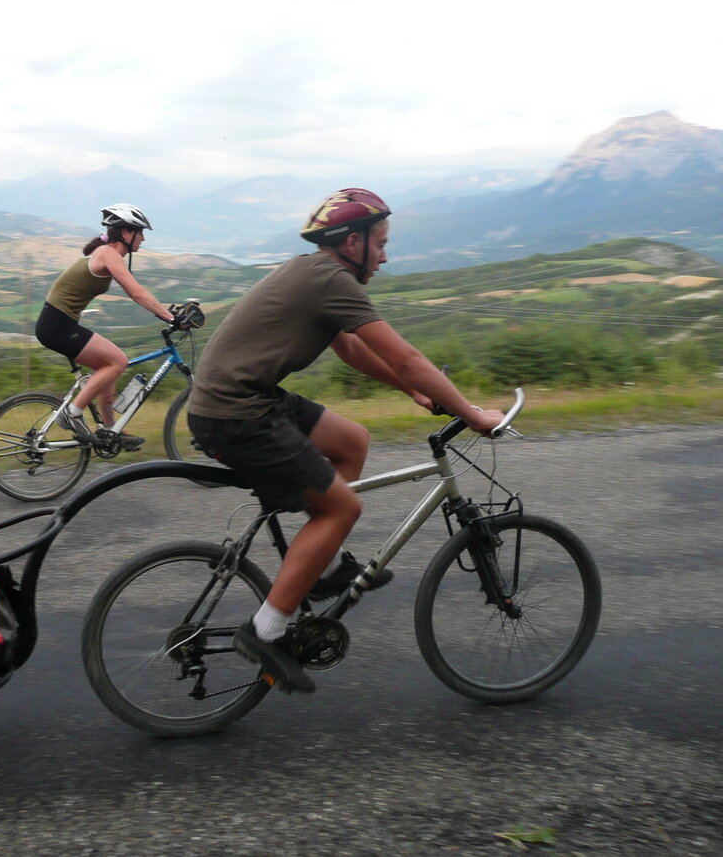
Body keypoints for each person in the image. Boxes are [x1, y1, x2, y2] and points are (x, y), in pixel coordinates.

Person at [186, 188, 505, 694]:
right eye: (379, 243)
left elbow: (353, 349)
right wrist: (472, 413)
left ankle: (324, 566)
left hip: (248, 399)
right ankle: (265, 631)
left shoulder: (316, 274)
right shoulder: (330, 280)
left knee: (352, 441)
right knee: (340, 511)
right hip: (238, 414)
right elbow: (405, 355)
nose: (384, 255)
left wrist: (416, 391)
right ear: (350, 242)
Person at [35, 203, 177, 450]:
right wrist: (170, 318)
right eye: (140, 232)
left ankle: (110, 431)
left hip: (57, 323)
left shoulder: (105, 252)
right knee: (118, 361)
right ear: (125, 233)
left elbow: (137, 291)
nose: (143, 238)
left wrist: (166, 313)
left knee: (108, 366)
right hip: (56, 325)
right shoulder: (108, 253)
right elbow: (136, 292)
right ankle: (72, 412)